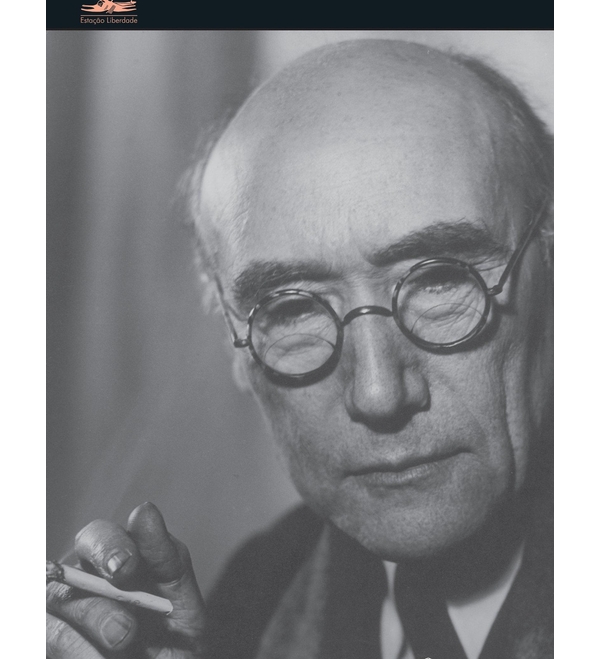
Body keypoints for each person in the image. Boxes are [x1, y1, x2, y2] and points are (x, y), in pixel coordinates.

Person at [46, 39, 553, 659]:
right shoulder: (254, 598)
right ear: (236, 345)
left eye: (441, 281)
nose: (378, 394)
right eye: (293, 310)